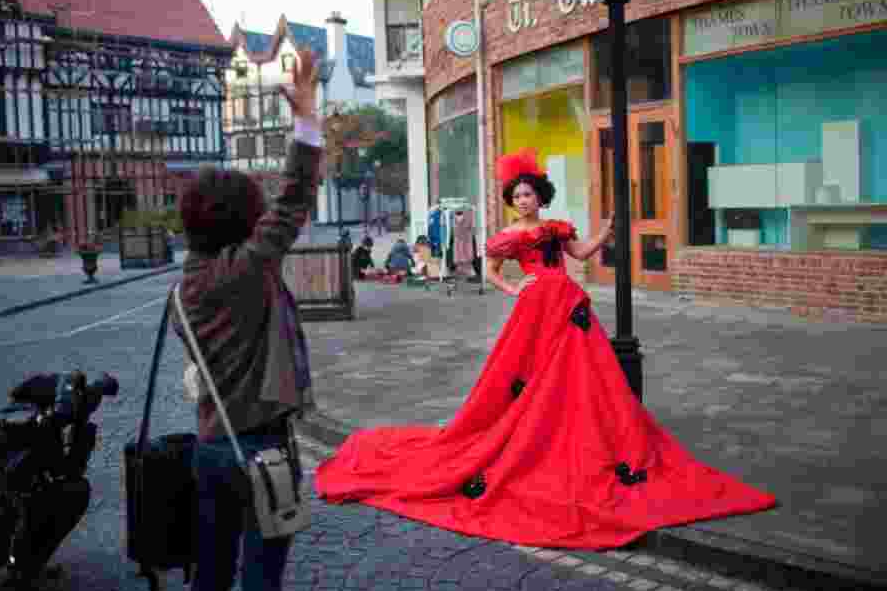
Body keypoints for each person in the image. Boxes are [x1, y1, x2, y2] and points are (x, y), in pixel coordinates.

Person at [315, 147, 776, 550]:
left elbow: (581, 254)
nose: (522, 201)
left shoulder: (557, 227)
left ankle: (584, 431)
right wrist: (515, 290)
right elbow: (490, 268)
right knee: (527, 378)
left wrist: (608, 231)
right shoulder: (509, 235)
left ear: (540, 195)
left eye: (528, 195)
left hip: (569, 305)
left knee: (586, 374)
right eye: (515, 197)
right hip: (536, 307)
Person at [174, 48, 323, 591]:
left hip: (210, 446)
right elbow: (292, 201)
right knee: (262, 576)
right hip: (260, 446)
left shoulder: (183, 289)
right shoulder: (246, 269)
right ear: (243, 218)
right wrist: (306, 123)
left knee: (209, 573)